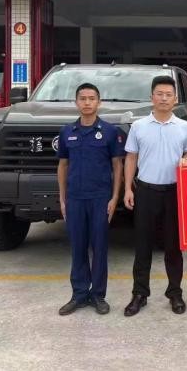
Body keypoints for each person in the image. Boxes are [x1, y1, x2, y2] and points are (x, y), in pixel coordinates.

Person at [123, 75, 187, 316]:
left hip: (174, 192)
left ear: (175, 99)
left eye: (168, 94)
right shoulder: (139, 126)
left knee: (174, 246)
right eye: (159, 94)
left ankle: (175, 293)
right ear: (152, 97)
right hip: (145, 190)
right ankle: (139, 293)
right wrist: (127, 189)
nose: (164, 98)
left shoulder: (184, 127)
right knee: (142, 245)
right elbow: (131, 158)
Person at [57, 82, 124, 316]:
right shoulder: (67, 132)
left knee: (99, 248)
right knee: (77, 248)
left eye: (91, 98)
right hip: (75, 199)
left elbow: (117, 166)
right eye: (82, 98)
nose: (87, 102)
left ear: (99, 102)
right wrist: (63, 199)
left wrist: (114, 198)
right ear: (76, 102)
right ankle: (78, 294)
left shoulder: (109, 131)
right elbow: (63, 166)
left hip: (99, 198)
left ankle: (98, 295)